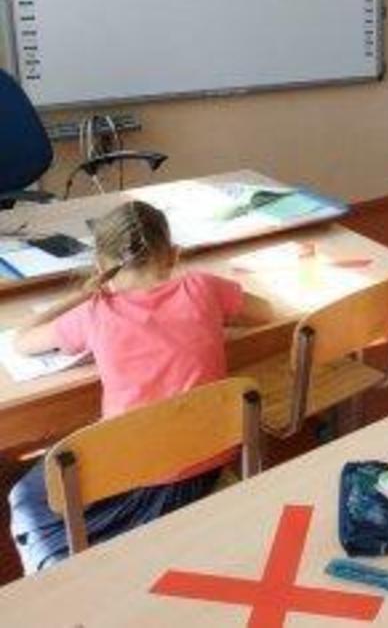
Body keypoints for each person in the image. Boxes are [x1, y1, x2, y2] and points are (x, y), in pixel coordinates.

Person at [8, 200, 272, 572]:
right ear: (174, 255)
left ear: (101, 268)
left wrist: (85, 293)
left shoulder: (94, 312)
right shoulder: (203, 287)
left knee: (24, 498)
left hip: (136, 476)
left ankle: (64, 575)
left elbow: (22, 341)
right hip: (212, 457)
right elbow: (266, 313)